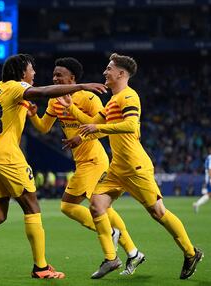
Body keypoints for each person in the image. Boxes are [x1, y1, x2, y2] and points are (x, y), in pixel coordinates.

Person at [0, 53, 107, 279]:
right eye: (31, 69)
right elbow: (43, 92)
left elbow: (23, 109)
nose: (34, 73)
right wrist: (81, 86)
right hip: (7, 155)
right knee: (32, 207)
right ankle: (41, 267)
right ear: (21, 73)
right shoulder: (16, 86)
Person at [59, 53, 203, 279]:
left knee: (158, 212)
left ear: (121, 73)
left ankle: (190, 252)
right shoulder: (113, 101)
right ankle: (111, 258)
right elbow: (93, 124)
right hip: (117, 168)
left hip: (136, 166)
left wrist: (99, 130)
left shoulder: (129, 97)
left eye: (109, 69)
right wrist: (73, 116)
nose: (105, 72)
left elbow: (129, 125)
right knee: (96, 205)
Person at [28, 57, 144, 275]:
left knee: (68, 206)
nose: (54, 78)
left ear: (72, 78)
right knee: (105, 208)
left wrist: (80, 138)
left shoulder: (89, 98)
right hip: (82, 160)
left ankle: (110, 235)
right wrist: (34, 116)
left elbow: (101, 128)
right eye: (53, 75)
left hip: (94, 160)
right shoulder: (54, 101)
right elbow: (44, 128)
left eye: (59, 75)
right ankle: (133, 252)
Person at [193, 147, 211, 213]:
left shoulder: (208, 158)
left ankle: (197, 204)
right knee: (209, 194)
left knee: (209, 194)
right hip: (210, 179)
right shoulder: (210, 158)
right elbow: (209, 169)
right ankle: (197, 204)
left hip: (208, 179)